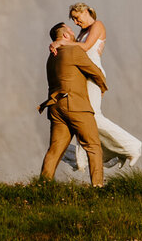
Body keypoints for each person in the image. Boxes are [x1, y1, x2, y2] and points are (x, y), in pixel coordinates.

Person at [62, 1, 142, 176]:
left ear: (84, 12)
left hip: (94, 74)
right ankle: (96, 156)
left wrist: (61, 43)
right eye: (74, 20)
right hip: (83, 76)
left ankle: (132, 146)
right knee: (83, 119)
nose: (76, 22)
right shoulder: (83, 31)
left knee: (93, 117)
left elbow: (84, 47)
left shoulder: (97, 25)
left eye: (76, 18)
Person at [39, 22, 108, 187]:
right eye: (70, 31)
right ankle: (97, 186)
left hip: (55, 107)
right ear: (64, 36)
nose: (73, 33)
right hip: (76, 105)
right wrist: (102, 87)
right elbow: (94, 71)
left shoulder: (52, 56)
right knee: (93, 146)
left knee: (54, 150)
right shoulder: (73, 50)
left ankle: (43, 186)